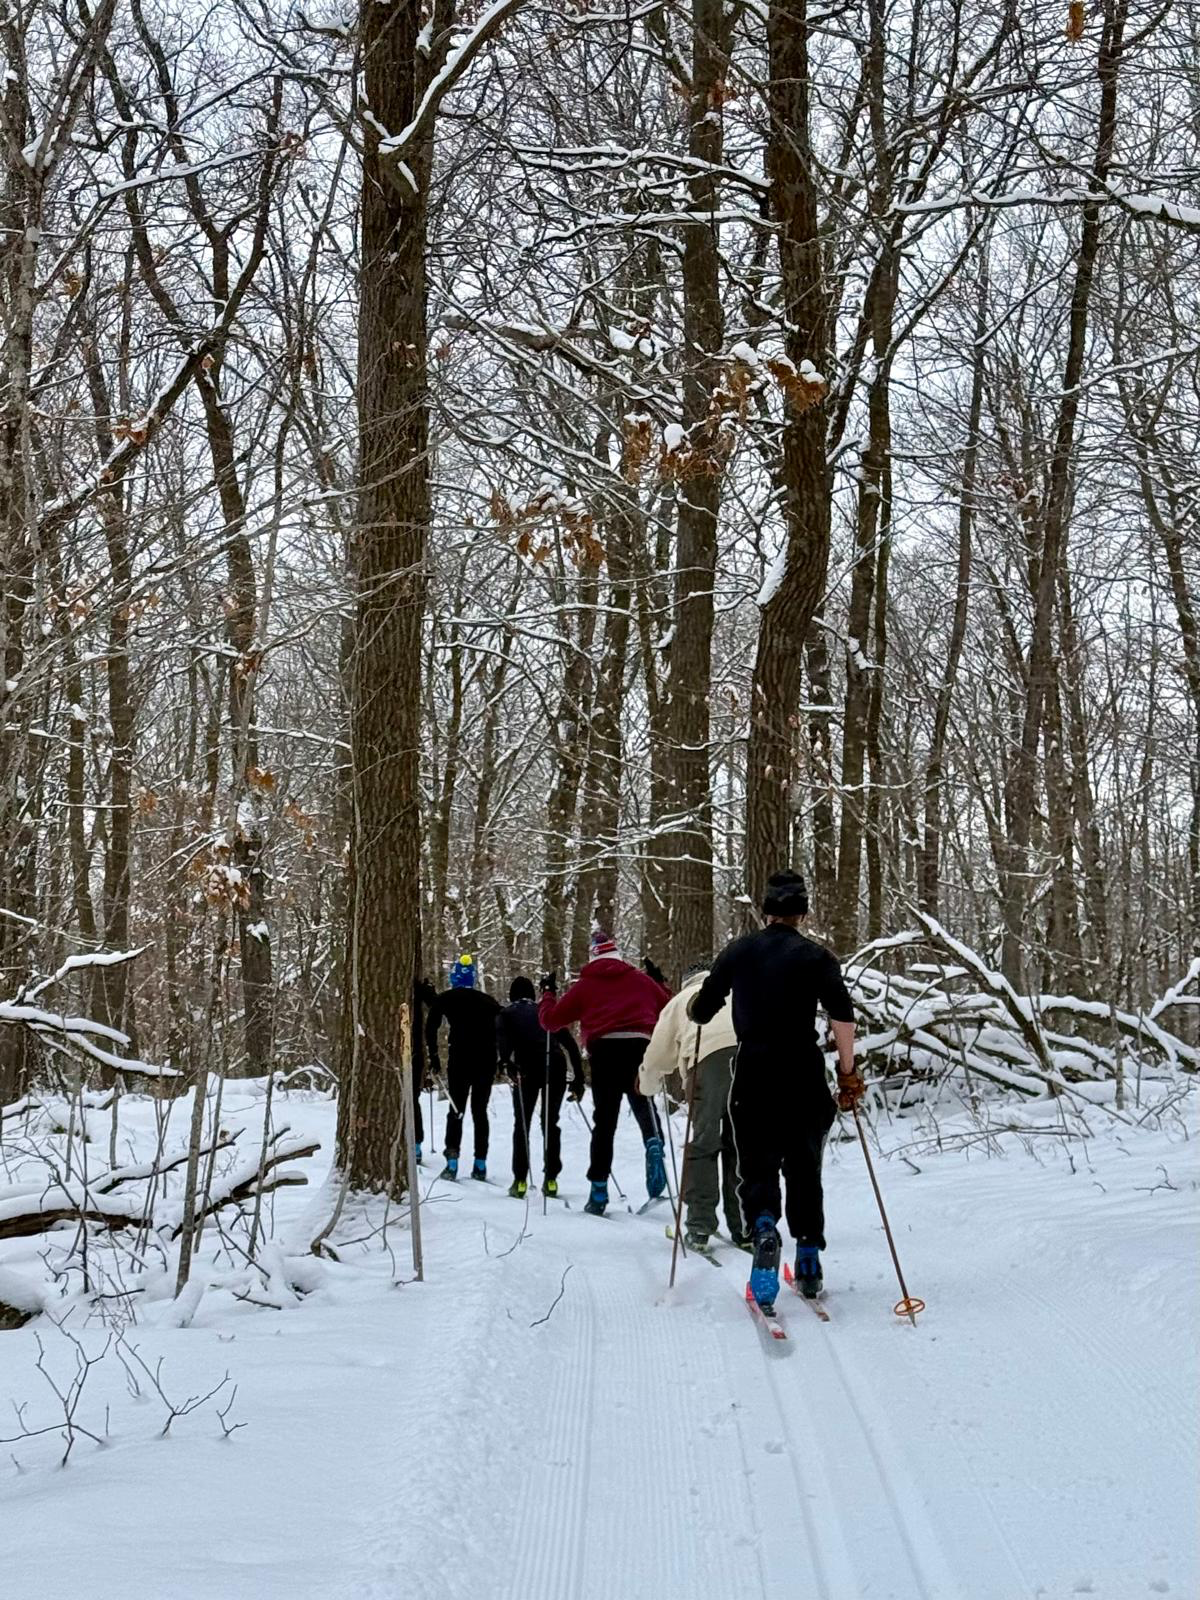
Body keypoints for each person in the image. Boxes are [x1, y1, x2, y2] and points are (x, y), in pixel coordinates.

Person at [688, 871, 865, 1312]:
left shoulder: (739, 952)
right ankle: (808, 1258)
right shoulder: (817, 957)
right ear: (802, 912)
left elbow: (703, 1008)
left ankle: (765, 1228)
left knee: (757, 1163)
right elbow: (843, 1016)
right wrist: (847, 1073)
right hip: (803, 1070)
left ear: (765, 910)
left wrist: (697, 1008)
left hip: (754, 1071)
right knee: (805, 1165)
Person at [539, 929, 671, 1216]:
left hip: (604, 1051)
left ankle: (598, 1189)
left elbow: (551, 1021)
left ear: (593, 958)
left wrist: (548, 994)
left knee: (605, 1123)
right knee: (644, 1104)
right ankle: (653, 1142)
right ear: (618, 956)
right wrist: (658, 981)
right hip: (639, 1046)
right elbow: (670, 1010)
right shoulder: (641, 981)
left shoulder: (585, 986)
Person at [638, 961, 749, 1255]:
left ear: (686, 981)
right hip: (749, 1061)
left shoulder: (680, 1001)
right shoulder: (736, 992)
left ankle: (699, 1225)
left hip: (707, 1066)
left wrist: (647, 1085)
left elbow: (658, 1055)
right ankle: (744, 1225)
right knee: (741, 1145)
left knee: (704, 1144)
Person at [496, 977, 585, 1198]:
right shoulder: (544, 1011)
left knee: (522, 1123)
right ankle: (551, 1179)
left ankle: (520, 1180)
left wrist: (506, 1063)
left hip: (525, 1069)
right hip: (554, 1065)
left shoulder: (506, 1014)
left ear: (512, 995)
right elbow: (570, 1045)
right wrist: (578, 1077)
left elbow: (503, 1043)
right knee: (550, 1122)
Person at [425, 953, 501, 1181]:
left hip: (460, 1060)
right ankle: (480, 1164)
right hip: (486, 1060)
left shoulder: (447, 999)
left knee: (456, 1109)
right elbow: (503, 1028)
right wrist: (504, 1058)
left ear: (454, 977)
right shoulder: (489, 1002)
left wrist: (433, 1057)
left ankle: (452, 1162)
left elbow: (431, 1026)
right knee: (480, 1111)